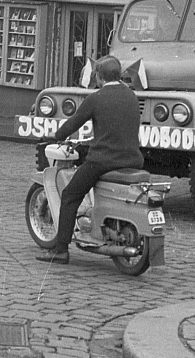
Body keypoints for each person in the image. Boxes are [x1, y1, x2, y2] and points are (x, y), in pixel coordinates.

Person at [37, 55, 143, 264]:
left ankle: (60, 250)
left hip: (104, 161)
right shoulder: (131, 96)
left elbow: (73, 124)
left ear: (99, 77)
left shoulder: (96, 98)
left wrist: (55, 136)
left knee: (70, 195)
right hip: (133, 160)